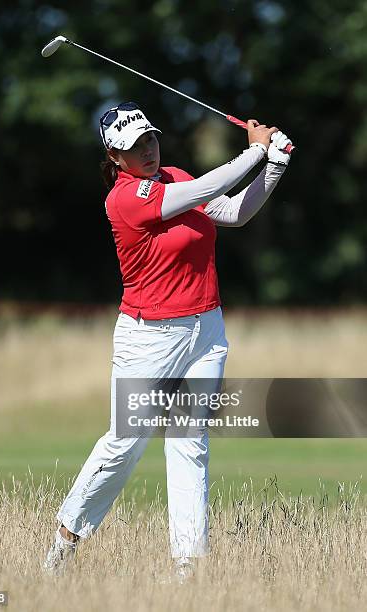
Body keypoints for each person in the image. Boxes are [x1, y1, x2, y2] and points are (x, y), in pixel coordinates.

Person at [44, 101, 292, 579]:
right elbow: (209, 186)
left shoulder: (174, 175)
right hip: (150, 338)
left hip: (206, 330)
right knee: (124, 443)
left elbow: (234, 211)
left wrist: (273, 165)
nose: (148, 150)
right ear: (115, 158)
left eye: (150, 139)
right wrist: (255, 153)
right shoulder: (124, 199)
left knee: (189, 441)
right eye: (134, 147)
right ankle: (65, 541)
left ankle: (187, 566)